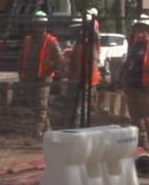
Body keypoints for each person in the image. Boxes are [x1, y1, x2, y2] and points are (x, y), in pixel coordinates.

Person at [121, 14, 149, 150]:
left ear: (148, 30)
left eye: (142, 28)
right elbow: (128, 64)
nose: (139, 31)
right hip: (133, 87)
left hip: (146, 88)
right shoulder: (135, 44)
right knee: (136, 117)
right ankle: (142, 143)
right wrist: (123, 80)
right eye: (137, 28)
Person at [17, 10, 64, 139]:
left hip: (44, 78)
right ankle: (49, 133)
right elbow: (21, 58)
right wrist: (21, 74)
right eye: (35, 24)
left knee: (41, 106)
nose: (36, 27)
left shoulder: (51, 41)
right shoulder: (28, 40)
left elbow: (60, 60)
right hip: (30, 78)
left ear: (44, 25)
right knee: (36, 107)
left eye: (39, 24)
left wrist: (50, 67)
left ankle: (36, 134)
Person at [66, 15, 101, 126]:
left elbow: (92, 64)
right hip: (78, 80)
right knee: (77, 107)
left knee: (82, 108)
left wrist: (86, 82)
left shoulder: (89, 43)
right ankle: (76, 127)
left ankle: (80, 128)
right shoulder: (79, 43)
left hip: (87, 81)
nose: (74, 31)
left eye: (76, 29)